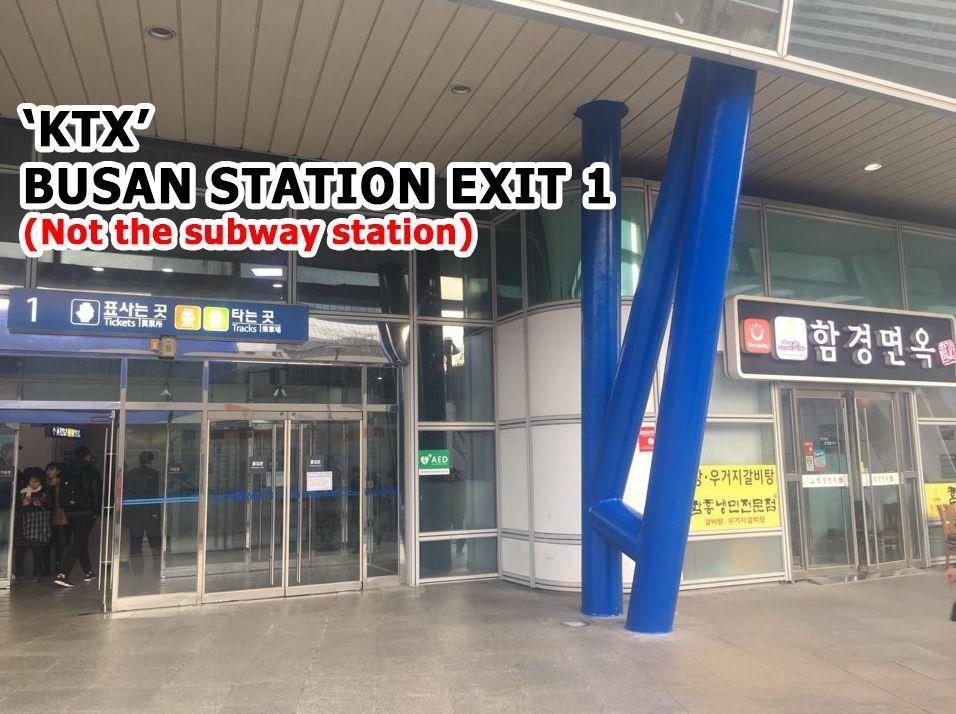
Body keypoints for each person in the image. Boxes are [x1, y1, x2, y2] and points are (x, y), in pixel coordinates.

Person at [53, 446, 101, 588]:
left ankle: (88, 572)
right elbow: (95, 492)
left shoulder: (67, 470)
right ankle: (63, 574)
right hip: (86, 512)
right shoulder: (91, 470)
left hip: (70, 511)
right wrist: (97, 511)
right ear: (87, 456)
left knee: (80, 540)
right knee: (78, 541)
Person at [124, 451, 161, 576]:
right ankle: (157, 569)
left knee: (135, 543)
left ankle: (138, 571)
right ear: (151, 461)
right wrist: (156, 512)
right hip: (151, 513)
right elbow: (155, 494)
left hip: (135, 513)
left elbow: (126, 494)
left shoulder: (130, 474)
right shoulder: (154, 474)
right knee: (155, 542)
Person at [15, 467, 51, 582]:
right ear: (27, 481)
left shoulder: (45, 491)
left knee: (37, 549)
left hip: (38, 522)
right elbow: (15, 506)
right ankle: (19, 573)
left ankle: (37, 574)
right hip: (22, 521)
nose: (35, 483)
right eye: (32, 481)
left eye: (37, 481)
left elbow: (50, 505)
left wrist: (41, 504)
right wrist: (22, 504)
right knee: (20, 548)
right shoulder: (22, 491)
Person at [44, 462, 70, 575]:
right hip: (48, 517)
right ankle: (48, 567)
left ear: (58, 471)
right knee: (47, 544)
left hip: (59, 517)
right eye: (48, 469)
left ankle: (57, 567)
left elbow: (60, 502)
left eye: (52, 469)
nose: (49, 471)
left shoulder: (60, 483)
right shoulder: (45, 483)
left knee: (58, 543)